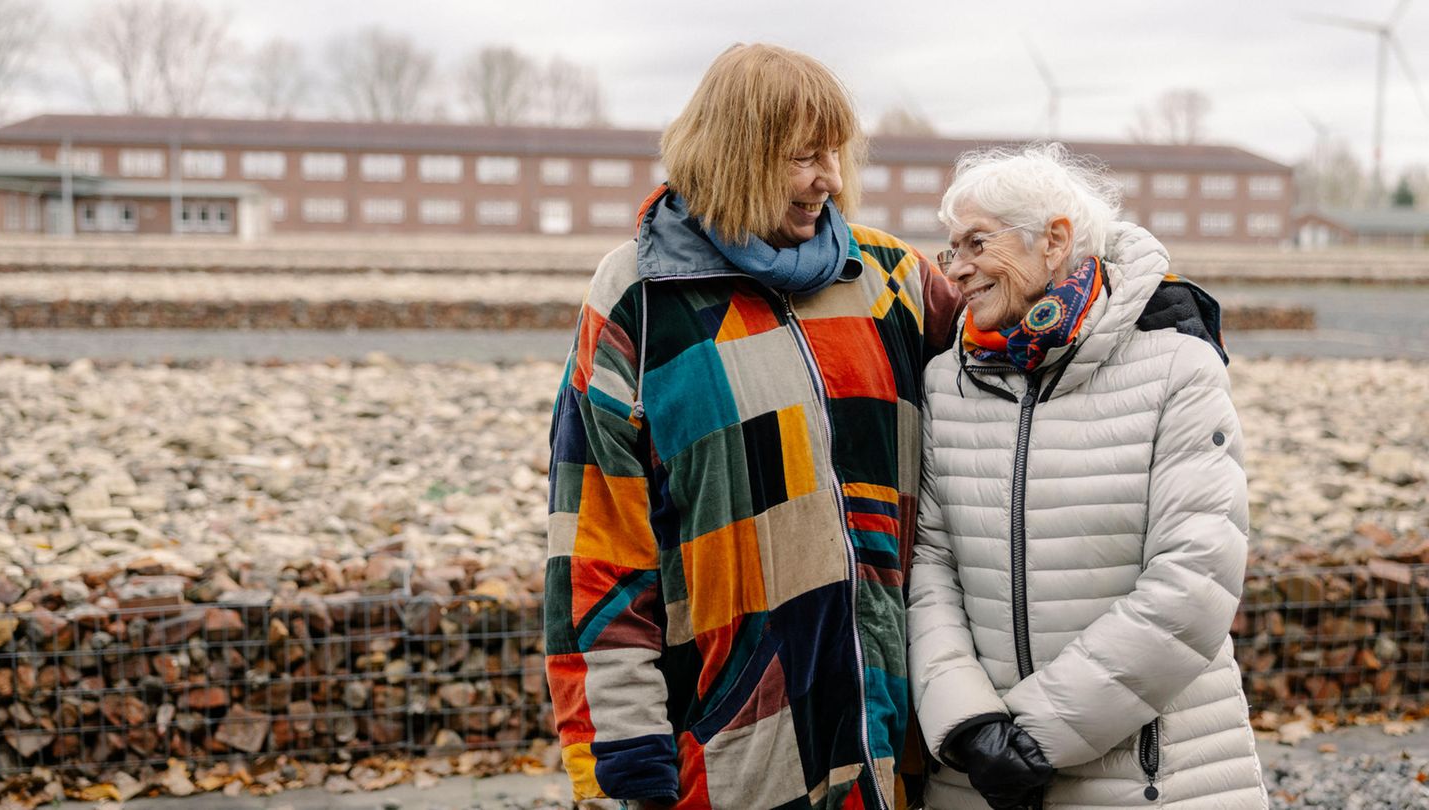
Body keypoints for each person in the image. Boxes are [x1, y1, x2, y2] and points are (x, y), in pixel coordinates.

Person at [544, 43, 960, 809]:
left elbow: (1023, 360)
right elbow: (597, 553)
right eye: (804, 157)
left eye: (835, 154)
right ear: (734, 155)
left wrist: (1129, 297)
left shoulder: (889, 281)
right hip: (737, 757)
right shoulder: (641, 301)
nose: (829, 180)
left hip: (901, 743)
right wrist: (623, 764)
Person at [908, 143, 1269, 810]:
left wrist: (1041, 735)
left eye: (976, 244)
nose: (954, 270)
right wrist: (968, 725)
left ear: (1055, 241)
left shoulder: (1176, 369)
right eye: (950, 248)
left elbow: (1195, 579)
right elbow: (929, 568)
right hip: (980, 778)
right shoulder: (944, 382)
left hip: (1153, 778)